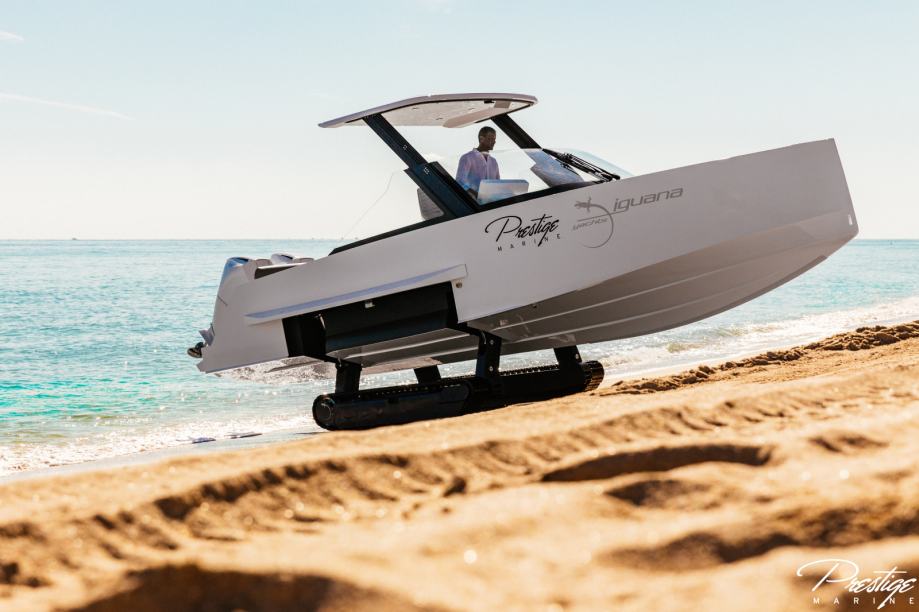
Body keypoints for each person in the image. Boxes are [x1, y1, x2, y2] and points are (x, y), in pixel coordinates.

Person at [455, 126, 500, 198]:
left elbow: (498, 184)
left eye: (494, 139)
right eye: (490, 139)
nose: (494, 142)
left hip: (492, 201)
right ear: (481, 139)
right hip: (472, 202)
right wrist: (476, 195)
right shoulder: (467, 158)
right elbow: (460, 181)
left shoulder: (494, 162)